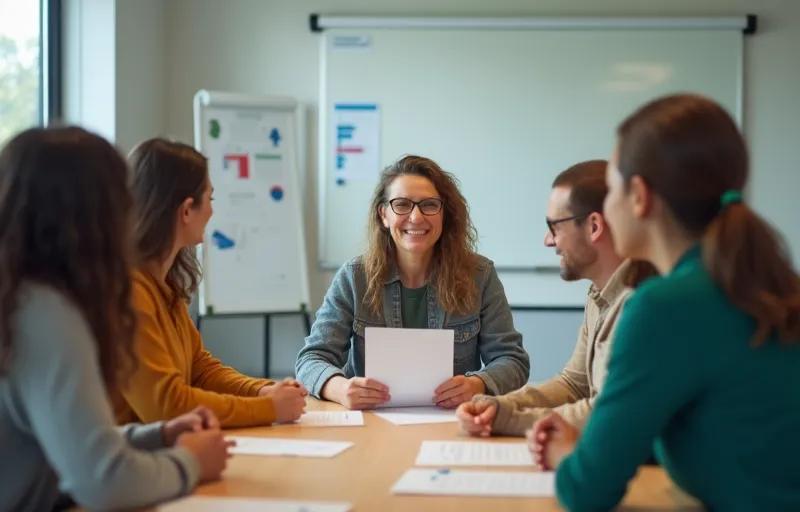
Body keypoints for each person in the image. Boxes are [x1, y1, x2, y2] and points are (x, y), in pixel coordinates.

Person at [529, 94, 800, 511]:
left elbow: (586, 492)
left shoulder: (664, 307)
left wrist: (565, 455)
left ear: (638, 197)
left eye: (613, 189)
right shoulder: (768, 281)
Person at [0, 127, 231, 511]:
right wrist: (191, 462)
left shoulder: (22, 297)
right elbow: (104, 482)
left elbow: (71, 441)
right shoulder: (47, 314)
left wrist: (155, 437)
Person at [296, 155, 529, 410]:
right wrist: (338, 388)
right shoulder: (354, 277)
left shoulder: (480, 275)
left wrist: (478, 384)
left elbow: (512, 360)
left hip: (453, 425)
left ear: (445, 214)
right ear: (383, 215)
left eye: (429, 205)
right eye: (402, 204)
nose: (416, 217)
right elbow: (311, 358)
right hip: (370, 426)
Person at [112, 138, 307, 428]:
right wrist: (267, 408)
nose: (212, 212)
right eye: (210, 199)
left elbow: (201, 369)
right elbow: (166, 406)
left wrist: (262, 390)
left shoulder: (162, 285)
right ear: (187, 210)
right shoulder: (129, 293)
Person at [457, 160, 653, 436]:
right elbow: (573, 385)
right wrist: (498, 404)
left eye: (554, 226)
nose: (548, 241)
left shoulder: (642, 302)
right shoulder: (600, 294)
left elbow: (608, 413)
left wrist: (507, 418)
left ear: (594, 226)